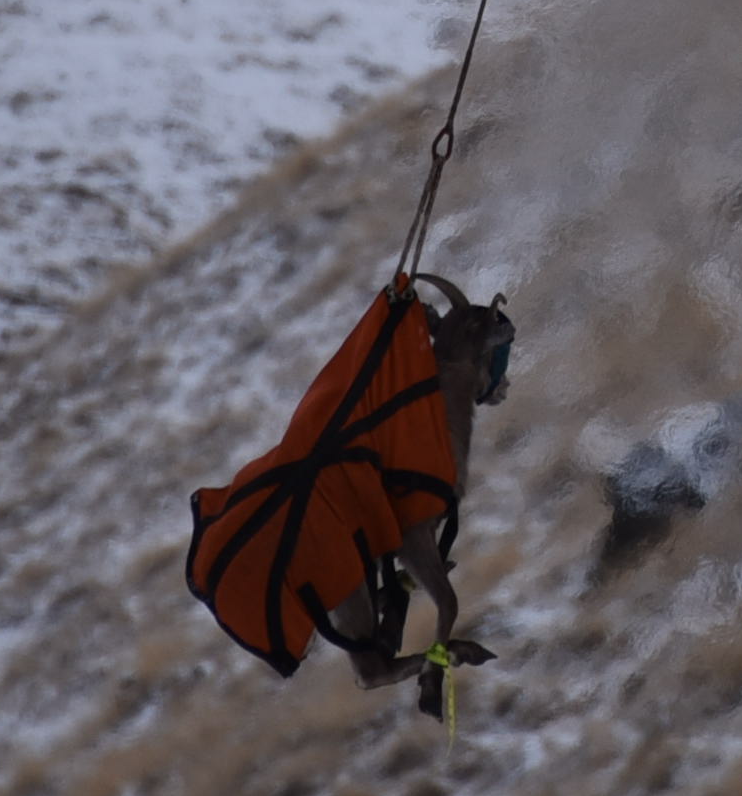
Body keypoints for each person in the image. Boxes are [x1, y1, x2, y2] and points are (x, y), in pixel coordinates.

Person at [185, 274, 517, 720]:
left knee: (361, 558)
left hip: (315, 513)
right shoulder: (424, 444)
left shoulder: (402, 408)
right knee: (409, 600)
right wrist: (441, 603)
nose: (499, 379)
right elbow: (410, 532)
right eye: (492, 362)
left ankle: (403, 629)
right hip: (315, 525)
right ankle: (429, 660)